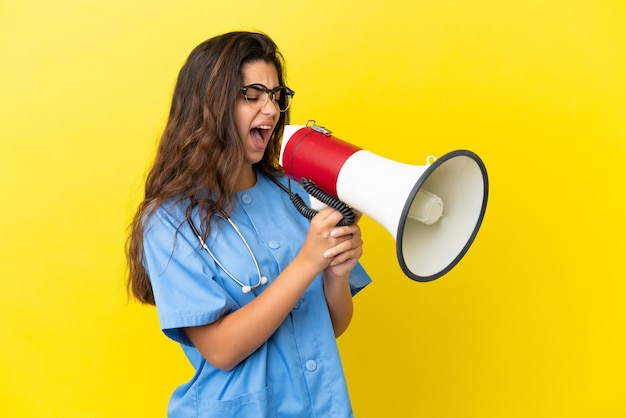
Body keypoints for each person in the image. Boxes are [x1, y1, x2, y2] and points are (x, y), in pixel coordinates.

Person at [126, 31, 372, 417]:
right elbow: (220, 350)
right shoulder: (170, 221)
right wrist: (308, 261)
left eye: (276, 96)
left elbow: (332, 326)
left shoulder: (297, 192)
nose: (271, 110)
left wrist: (336, 273)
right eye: (252, 95)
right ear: (209, 106)